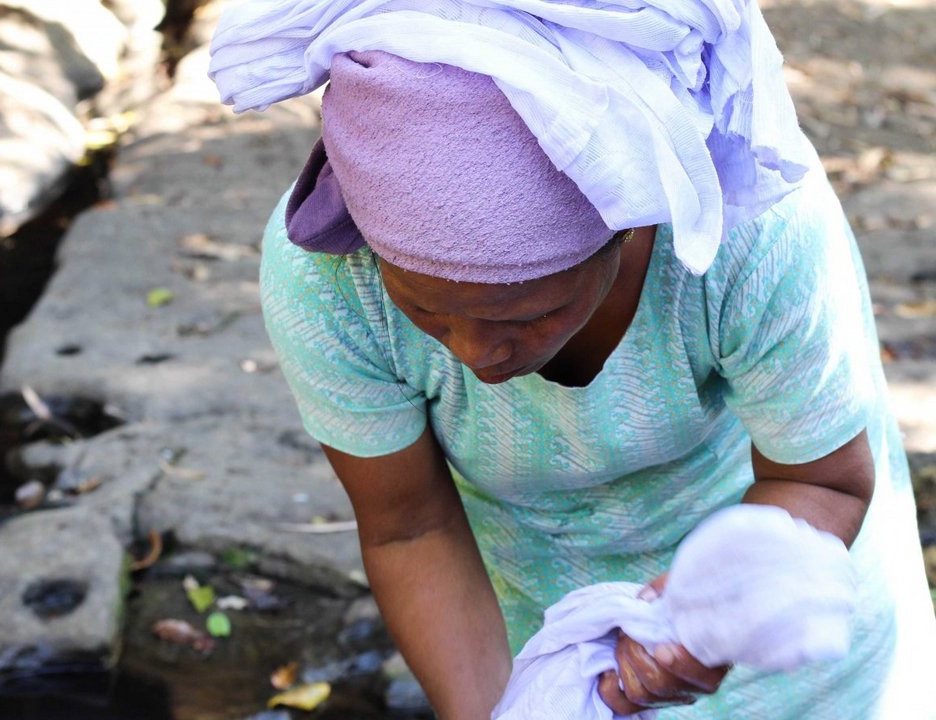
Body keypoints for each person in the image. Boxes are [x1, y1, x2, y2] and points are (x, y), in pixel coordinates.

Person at [209, 1, 936, 717]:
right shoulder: (327, 274)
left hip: (788, 630)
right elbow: (411, 529)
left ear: (628, 229)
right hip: (534, 633)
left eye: (529, 315)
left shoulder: (749, 229)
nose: (476, 354)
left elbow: (826, 483)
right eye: (427, 310)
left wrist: (701, 625)